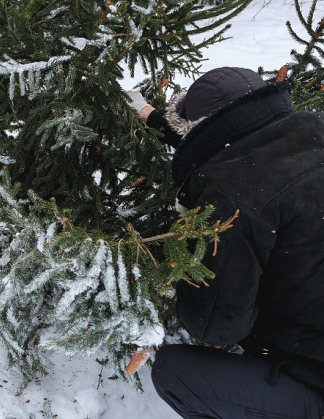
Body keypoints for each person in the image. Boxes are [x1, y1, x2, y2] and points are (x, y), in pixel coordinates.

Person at [126, 66, 324, 418]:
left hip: (315, 373)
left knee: (177, 374)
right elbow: (239, 142)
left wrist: (192, 238)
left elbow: (216, 327)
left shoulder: (232, 198)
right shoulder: (314, 128)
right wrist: (150, 115)